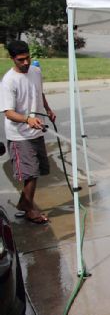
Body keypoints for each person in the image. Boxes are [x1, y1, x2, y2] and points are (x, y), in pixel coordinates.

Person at [1, 40, 56, 224]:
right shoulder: (9, 81)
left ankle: (24, 205)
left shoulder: (36, 71)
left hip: (36, 130)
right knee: (30, 173)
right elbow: (8, 113)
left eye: (27, 58)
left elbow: (39, 93)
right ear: (12, 59)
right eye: (20, 60)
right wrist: (27, 119)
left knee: (36, 171)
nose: (25, 63)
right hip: (20, 135)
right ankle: (29, 209)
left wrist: (48, 109)